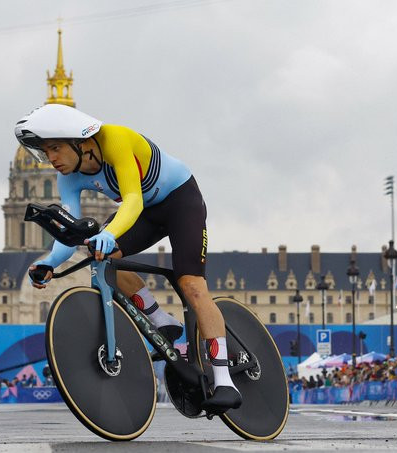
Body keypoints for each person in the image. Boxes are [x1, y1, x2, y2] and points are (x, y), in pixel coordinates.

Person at [14, 103, 241, 412]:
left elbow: (132, 199)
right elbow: (67, 240)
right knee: (98, 255)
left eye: (54, 148)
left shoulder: (116, 140)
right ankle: (161, 320)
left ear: (79, 141)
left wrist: (110, 233)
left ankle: (225, 380)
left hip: (179, 202)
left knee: (192, 286)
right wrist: (50, 263)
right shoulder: (68, 178)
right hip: (145, 213)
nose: (50, 158)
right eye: (45, 152)